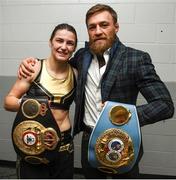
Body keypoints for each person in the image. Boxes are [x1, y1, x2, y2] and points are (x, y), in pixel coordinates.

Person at [17, 4, 174, 179]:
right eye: (92, 27)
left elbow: (165, 105)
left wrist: (123, 115)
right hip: (88, 140)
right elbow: (58, 63)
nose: (98, 31)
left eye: (104, 25)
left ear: (116, 27)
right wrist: (32, 62)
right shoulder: (82, 57)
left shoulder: (136, 58)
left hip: (123, 142)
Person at [4, 23, 78, 179]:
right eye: (59, 40)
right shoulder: (34, 68)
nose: (64, 46)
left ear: (74, 48)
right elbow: (8, 101)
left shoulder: (76, 73)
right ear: (50, 42)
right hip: (34, 142)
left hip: (64, 145)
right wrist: (32, 107)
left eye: (70, 43)